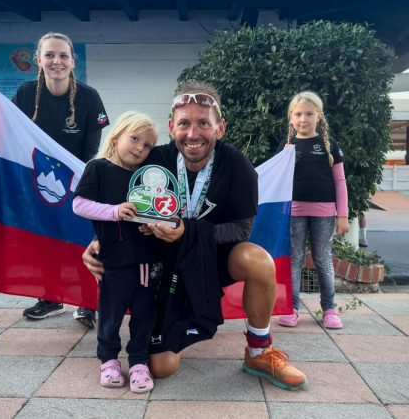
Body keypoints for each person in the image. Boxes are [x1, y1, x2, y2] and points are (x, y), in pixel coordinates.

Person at [82, 81, 308, 391]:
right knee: (161, 368)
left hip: (212, 259)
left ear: (220, 128)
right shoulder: (153, 159)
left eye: (203, 123)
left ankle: (259, 351)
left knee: (259, 261)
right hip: (167, 266)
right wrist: (98, 241)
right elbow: (120, 204)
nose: (193, 134)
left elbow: (242, 229)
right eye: (184, 124)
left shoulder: (237, 165)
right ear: (172, 127)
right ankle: (181, 324)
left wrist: (187, 232)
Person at [0, 32, 109, 324]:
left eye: (63, 55)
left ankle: (87, 303)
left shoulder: (89, 97)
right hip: (38, 180)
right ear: (39, 60)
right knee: (46, 240)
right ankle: (51, 298)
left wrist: (79, 182)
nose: (57, 61)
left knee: (80, 239)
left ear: (72, 61)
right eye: (49, 55)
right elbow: (11, 131)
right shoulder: (26, 94)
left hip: (78, 180)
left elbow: (91, 150)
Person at [73, 111, 160, 393]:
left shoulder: (146, 176)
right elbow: (79, 205)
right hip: (112, 261)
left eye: (147, 145)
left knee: (145, 315)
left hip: (147, 262)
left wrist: (153, 226)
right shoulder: (97, 168)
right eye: (135, 139)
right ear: (116, 136)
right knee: (110, 315)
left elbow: (157, 211)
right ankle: (108, 361)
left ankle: (139, 362)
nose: (140, 148)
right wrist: (114, 211)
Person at [277, 91, 349, 330]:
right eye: (298, 114)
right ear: (291, 117)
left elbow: (340, 182)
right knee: (294, 260)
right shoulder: (286, 146)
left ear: (319, 116)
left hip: (325, 214)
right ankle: (291, 308)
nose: (303, 119)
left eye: (309, 113)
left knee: (323, 259)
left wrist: (343, 215)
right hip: (293, 213)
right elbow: (276, 180)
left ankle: (329, 309)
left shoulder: (329, 146)